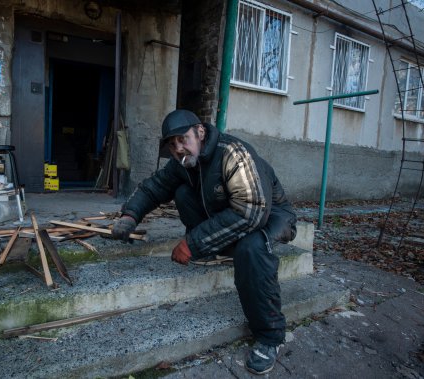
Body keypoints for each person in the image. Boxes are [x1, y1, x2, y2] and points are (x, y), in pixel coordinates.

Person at [111, 109, 297, 375]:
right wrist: (130, 216)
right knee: (182, 191)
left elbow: (251, 210)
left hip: (271, 217)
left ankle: (270, 336)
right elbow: (155, 186)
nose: (178, 148)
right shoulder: (184, 160)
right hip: (229, 213)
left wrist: (192, 244)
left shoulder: (233, 152)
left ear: (199, 132)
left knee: (251, 248)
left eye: (183, 139)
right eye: (172, 144)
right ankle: (215, 248)